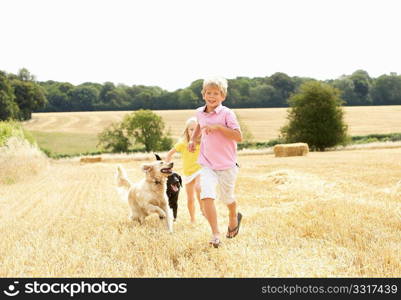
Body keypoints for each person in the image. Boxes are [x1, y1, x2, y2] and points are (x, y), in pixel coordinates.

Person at [188, 76, 243, 248]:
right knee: (206, 195)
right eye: (208, 93)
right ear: (203, 94)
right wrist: (193, 139)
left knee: (227, 198)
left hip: (227, 165)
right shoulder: (199, 112)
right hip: (207, 163)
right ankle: (215, 234)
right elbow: (199, 124)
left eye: (216, 94)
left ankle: (234, 215)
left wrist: (218, 127)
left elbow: (239, 137)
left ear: (223, 96)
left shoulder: (227, 113)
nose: (212, 96)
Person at [166, 117, 205, 224]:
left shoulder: (203, 142)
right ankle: (192, 219)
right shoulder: (183, 143)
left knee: (198, 187)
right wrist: (167, 168)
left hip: (200, 169)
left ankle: (203, 208)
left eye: (196, 129)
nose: (193, 131)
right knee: (190, 199)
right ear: (187, 131)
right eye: (191, 129)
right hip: (188, 173)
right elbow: (169, 154)